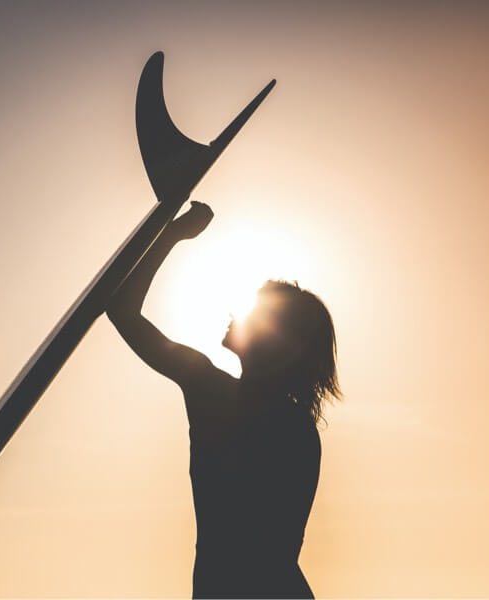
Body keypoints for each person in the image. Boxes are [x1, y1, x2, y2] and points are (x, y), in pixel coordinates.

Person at [107, 201, 340, 599]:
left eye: (254, 311)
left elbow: (122, 311)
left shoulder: (210, 389)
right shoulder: (298, 426)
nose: (235, 313)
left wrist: (173, 234)